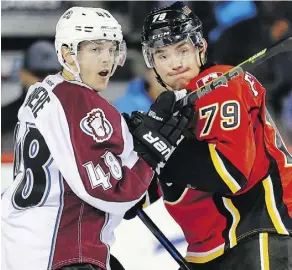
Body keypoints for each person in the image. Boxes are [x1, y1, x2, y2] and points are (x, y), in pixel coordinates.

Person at [1, 6, 190, 270]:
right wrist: (151, 151)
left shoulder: (42, 91)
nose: (106, 59)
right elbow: (111, 191)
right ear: (67, 53)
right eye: (95, 49)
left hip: (22, 247)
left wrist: (129, 144)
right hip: (62, 251)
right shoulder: (80, 101)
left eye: (112, 49)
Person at [125, 2, 292, 269]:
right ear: (150, 62)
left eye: (182, 50)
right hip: (207, 254)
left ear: (201, 48)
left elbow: (231, 173)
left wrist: (163, 146)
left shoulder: (221, 83)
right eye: (162, 55)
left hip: (257, 235)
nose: (175, 63)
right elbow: (135, 198)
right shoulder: (168, 116)